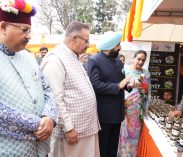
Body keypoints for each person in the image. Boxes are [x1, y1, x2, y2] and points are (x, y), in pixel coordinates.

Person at [0, 1, 58, 156]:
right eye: (24, 30)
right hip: (10, 149)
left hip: (39, 148)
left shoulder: (29, 57)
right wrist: (39, 124)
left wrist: (50, 117)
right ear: (3, 27)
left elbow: (47, 89)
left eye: (30, 30)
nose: (29, 36)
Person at [40, 21, 100, 157]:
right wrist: (68, 128)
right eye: (86, 40)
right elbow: (55, 98)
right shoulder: (55, 59)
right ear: (74, 38)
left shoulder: (72, 56)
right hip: (70, 133)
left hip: (84, 129)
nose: (88, 45)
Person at [85, 31, 132, 157]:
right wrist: (117, 86)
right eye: (118, 45)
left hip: (117, 113)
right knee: (102, 148)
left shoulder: (118, 62)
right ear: (110, 46)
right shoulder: (94, 61)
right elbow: (94, 85)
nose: (120, 47)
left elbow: (122, 82)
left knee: (113, 148)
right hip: (103, 115)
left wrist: (129, 85)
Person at [117, 50, 151, 157]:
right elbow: (118, 86)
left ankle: (131, 154)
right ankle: (120, 154)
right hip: (122, 105)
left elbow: (148, 91)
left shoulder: (146, 73)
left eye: (143, 60)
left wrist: (144, 91)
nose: (141, 62)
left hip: (136, 108)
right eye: (139, 59)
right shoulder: (124, 70)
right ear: (133, 58)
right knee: (121, 130)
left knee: (133, 133)